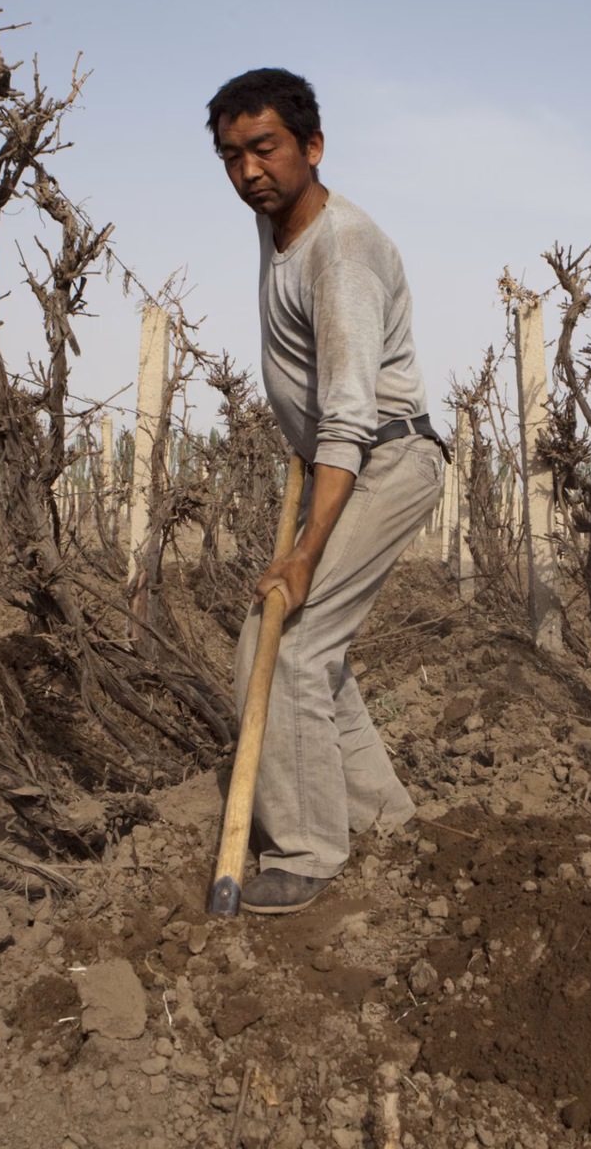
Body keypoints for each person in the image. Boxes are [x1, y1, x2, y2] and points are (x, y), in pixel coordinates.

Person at [208, 67, 446, 915]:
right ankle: (380, 814)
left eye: (265, 149)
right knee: (319, 652)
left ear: (312, 147)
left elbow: (346, 415)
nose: (248, 172)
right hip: (348, 459)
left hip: (381, 458)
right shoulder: (280, 225)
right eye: (231, 155)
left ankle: (308, 850)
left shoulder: (341, 250)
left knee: (284, 644)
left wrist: (306, 550)